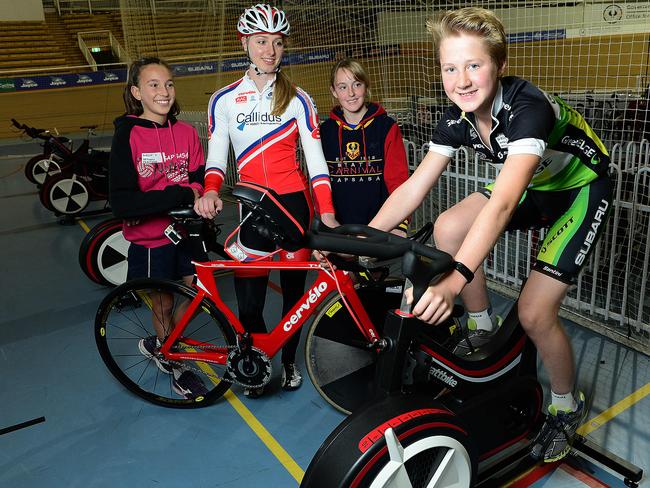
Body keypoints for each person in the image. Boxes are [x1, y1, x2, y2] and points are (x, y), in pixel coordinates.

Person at [368, 7, 612, 463]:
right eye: (450, 67)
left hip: (579, 189)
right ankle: (481, 325)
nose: (461, 79)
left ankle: (565, 405)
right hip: (534, 183)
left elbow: (501, 205)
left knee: (536, 314)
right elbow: (415, 187)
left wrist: (456, 277)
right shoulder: (457, 115)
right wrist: (365, 239)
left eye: (473, 65)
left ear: (499, 66)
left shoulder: (528, 107)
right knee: (447, 226)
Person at [194, 4, 338, 397]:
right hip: (250, 209)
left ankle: (289, 360)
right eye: (261, 42)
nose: (269, 51)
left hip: (293, 208)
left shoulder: (298, 99)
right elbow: (217, 156)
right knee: (250, 298)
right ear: (245, 43)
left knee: (295, 297)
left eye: (276, 43)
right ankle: (254, 362)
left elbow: (317, 164)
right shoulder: (223, 100)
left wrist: (326, 214)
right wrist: (209, 189)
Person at [109, 57, 208, 400]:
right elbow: (124, 203)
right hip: (152, 239)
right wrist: (180, 194)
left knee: (196, 294)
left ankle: (167, 341)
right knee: (163, 304)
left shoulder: (185, 132)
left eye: (168, 83)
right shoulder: (129, 135)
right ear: (136, 92)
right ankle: (174, 363)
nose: (163, 92)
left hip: (187, 232)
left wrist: (192, 191)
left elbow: (198, 177)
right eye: (153, 85)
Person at [320, 58, 409, 232]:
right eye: (343, 87)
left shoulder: (386, 127)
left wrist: (400, 224)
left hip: (382, 228)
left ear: (366, 86)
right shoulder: (325, 132)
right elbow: (319, 185)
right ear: (334, 91)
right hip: (337, 230)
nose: (351, 93)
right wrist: (326, 225)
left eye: (357, 84)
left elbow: (398, 181)